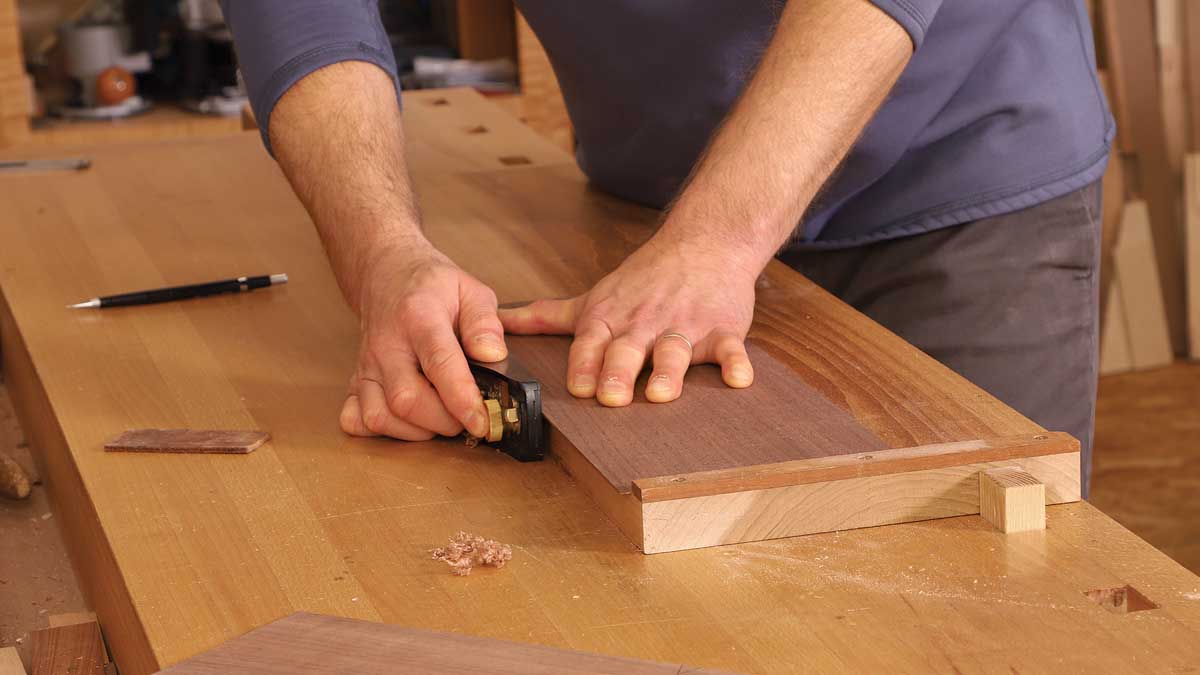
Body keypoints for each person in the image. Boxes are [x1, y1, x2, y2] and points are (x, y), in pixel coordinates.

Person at [220, 1, 1112, 494]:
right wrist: (381, 254)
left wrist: (719, 238)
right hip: (651, 204)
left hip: (952, 178)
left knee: (977, 598)